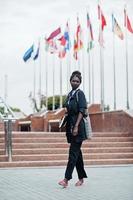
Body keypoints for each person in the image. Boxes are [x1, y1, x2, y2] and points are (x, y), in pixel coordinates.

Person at [58, 70, 88, 188]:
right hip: (70, 128)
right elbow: (68, 111)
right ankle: (81, 178)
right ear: (70, 81)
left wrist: (76, 126)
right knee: (77, 155)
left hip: (78, 128)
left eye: (77, 81)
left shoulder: (80, 94)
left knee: (73, 154)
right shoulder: (70, 94)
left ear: (80, 83)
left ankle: (66, 179)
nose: (75, 82)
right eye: (73, 80)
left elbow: (82, 110)